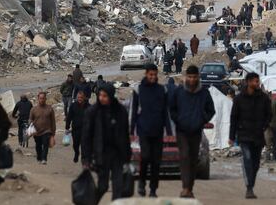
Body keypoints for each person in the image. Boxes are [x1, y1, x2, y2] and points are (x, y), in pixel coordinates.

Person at [170, 65, 215, 199]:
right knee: (184, 157)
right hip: (182, 131)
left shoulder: (204, 93)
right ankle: (185, 187)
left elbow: (211, 110)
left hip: (196, 131)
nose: (192, 79)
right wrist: (178, 120)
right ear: (185, 77)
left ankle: (190, 188)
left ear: (198, 77)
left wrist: (202, 120)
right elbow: (172, 109)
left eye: (194, 77)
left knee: (193, 159)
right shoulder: (179, 92)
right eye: (189, 77)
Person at [82, 83, 131, 203]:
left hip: (117, 155)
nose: (101, 98)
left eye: (105, 96)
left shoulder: (120, 111)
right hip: (101, 155)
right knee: (103, 186)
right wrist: (86, 159)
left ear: (111, 96)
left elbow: (125, 134)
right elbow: (86, 137)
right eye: (100, 95)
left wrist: (127, 156)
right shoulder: (93, 112)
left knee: (118, 188)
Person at [230, 72, 272, 199]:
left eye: (257, 81)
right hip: (244, 135)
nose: (257, 84)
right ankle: (249, 187)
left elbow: (269, 115)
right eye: (254, 81)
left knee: (256, 163)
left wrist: (264, 126)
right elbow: (234, 118)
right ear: (248, 82)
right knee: (247, 159)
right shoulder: (239, 99)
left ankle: (251, 184)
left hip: (258, 135)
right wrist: (231, 136)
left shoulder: (264, 98)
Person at [131, 64, 170, 197]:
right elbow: (133, 111)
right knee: (146, 157)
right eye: (150, 75)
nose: (153, 77)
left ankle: (153, 189)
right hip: (144, 130)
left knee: (156, 162)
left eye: (155, 75)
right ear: (146, 74)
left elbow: (166, 111)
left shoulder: (162, 90)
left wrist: (169, 131)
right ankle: (141, 182)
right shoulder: (138, 90)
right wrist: (131, 131)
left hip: (158, 130)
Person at [29, 91, 56, 165]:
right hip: (37, 132)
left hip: (47, 131)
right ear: (38, 99)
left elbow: (53, 121)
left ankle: (44, 159)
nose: (42, 100)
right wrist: (31, 128)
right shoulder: (33, 109)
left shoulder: (50, 109)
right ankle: (39, 158)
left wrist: (53, 134)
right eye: (40, 98)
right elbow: (30, 119)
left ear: (45, 99)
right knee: (38, 146)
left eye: (43, 98)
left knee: (45, 144)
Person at [65, 90, 89, 163]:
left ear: (84, 98)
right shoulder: (73, 105)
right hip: (75, 129)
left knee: (84, 145)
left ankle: (83, 158)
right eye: (78, 97)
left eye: (81, 97)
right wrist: (67, 127)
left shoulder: (89, 106)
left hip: (85, 129)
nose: (80, 99)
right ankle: (76, 153)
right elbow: (69, 117)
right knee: (75, 144)